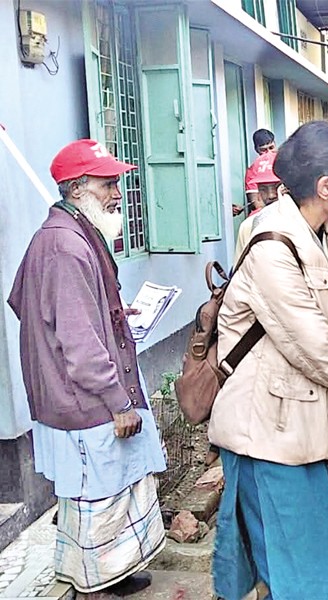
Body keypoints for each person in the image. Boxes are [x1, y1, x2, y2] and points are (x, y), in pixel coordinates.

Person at [208, 121, 328, 600]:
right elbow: (315, 349)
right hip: (272, 442)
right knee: (304, 580)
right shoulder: (273, 244)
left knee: (305, 574)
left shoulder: (320, 234)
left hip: (304, 431)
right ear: (325, 187)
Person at [7, 139, 167, 599]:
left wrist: (112, 313)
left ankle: (114, 573)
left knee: (118, 493)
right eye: (108, 183)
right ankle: (93, 584)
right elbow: (76, 341)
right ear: (77, 189)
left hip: (83, 394)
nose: (118, 192)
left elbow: (33, 304)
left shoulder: (74, 232)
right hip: (86, 401)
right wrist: (118, 401)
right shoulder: (63, 245)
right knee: (95, 502)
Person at [234, 150, 280, 256]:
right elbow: (240, 270)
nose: (271, 195)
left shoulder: (307, 222)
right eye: (263, 189)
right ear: (258, 191)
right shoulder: (247, 227)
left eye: (276, 186)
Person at [234, 129, 277, 216]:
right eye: (263, 150)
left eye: (271, 148)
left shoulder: (285, 164)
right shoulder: (252, 171)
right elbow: (257, 204)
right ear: (256, 150)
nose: (268, 152)